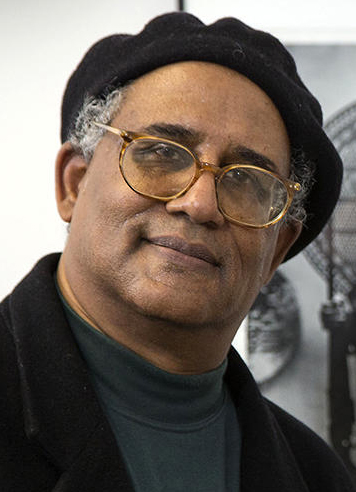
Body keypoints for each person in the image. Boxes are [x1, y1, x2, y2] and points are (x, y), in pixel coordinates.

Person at [1, 11, 354, 492]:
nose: (200, 203)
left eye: (247, 180)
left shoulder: (320, 478)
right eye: (161, 152)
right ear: (74, 184)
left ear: (277, 250)